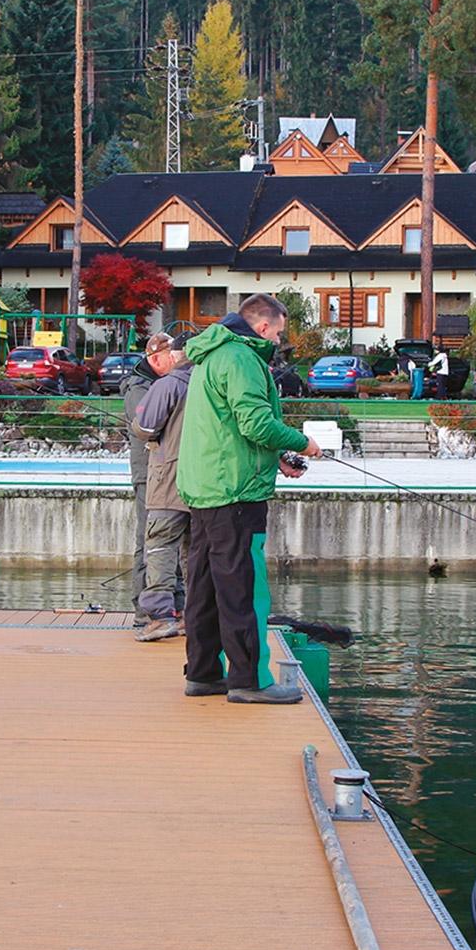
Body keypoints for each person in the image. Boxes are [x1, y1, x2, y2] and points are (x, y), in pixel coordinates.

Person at [176, 293, 321, 704]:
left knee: (204, 587)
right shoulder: (241, 359)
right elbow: (255, 423)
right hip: (237, 491)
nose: (278, 341)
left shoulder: (212, 355)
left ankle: (203, 673)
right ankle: (249, 680)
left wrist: (277, 458)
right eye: (278, 333)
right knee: (243, 588)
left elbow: (229, 428)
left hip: (206, 486)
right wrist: (303, 443)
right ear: (262, 326)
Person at [131, 333, 192, 643]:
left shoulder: (168, 385)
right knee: (195, 553)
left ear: (174, 356)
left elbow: (144, 427)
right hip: (204, 483)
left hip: (167, 480)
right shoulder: (212, 383)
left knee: (159, 547)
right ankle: (194, 616)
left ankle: (160, 617)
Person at [122, 333, 175, 626]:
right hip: (148, 472)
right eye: (171, 356)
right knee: (147, 538)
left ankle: (171, 605)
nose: (176, 360)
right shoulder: (138, 389)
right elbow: (147, 426)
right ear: (155, 359)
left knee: (165, 539)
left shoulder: (161, 384)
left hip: (164, 470)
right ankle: (143, 610)